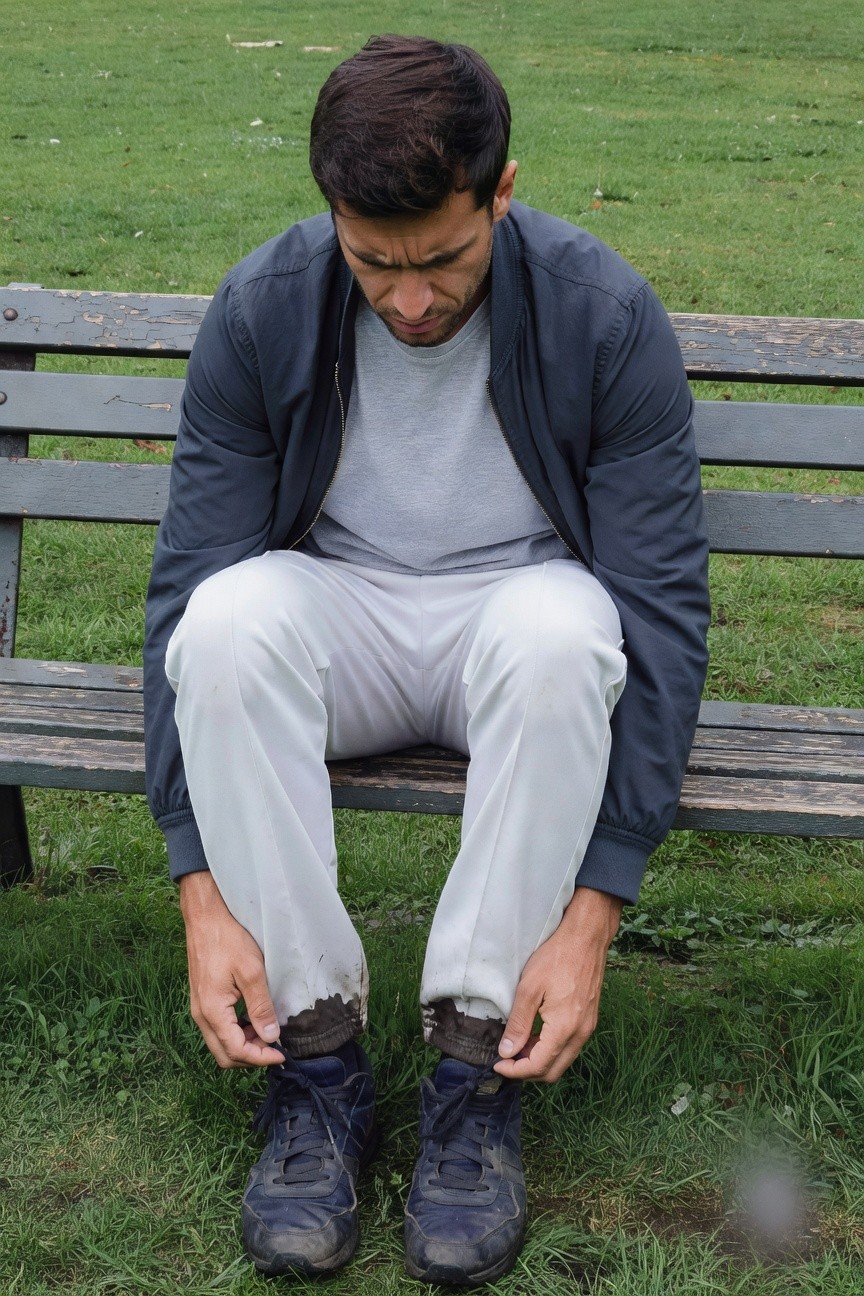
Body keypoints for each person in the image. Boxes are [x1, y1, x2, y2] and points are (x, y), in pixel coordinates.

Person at [143, 34, 710, 1286]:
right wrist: (199, 893)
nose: (409, 299)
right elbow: (186, 587)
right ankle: (314, 1070)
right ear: (331, 214)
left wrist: (595, 912)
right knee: (226, 625)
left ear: (502, 191)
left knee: (571, 635)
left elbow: (660, 619)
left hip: (513, 616)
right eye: (374, 263)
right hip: (338, 611)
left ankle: (474, 1082)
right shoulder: (262, 307)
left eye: (442, 259)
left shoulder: (606, 315)